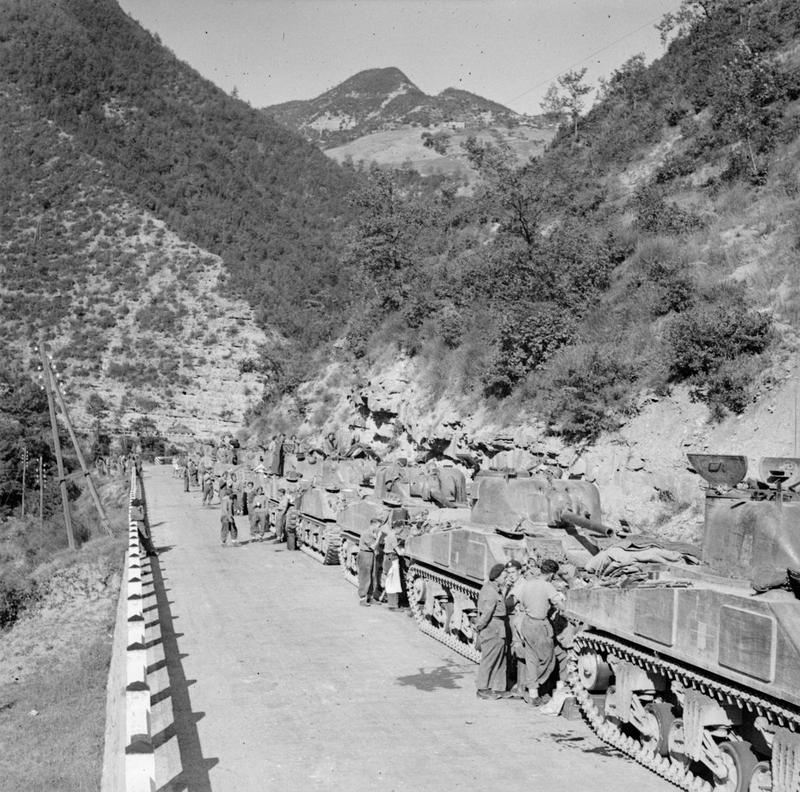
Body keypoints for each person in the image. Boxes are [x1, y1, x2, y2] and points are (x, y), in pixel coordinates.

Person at [515, 558, 565, 706]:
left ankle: (532, 694)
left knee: (531, 659)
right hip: (539, 625)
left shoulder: (527, 584)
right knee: (549, 660)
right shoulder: (547, 586)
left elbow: (516, 600)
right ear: (551, 575)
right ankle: (535, 685)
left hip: (527, 623)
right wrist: (564, 604)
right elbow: (560, 605)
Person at [474, 563, 509, 700]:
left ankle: (499, 688)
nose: (505, 578)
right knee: (489, 659)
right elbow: (486, 613)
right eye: (504, 576)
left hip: (498, 628)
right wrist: (479, 627)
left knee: (500, 659)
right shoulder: (490, 591)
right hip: (492, 628)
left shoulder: (495, 589)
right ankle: (482, 688)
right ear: (497, 577)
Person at [357, 516, 382, 606]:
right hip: (365, 555)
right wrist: (378, 538)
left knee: (372, 576)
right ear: (374, 525)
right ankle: (362, 598)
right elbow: (373, 546)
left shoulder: (372, 533)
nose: (379, 528)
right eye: (378, 526)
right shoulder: (366, 533)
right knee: (365, 576)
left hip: (371, 555)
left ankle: (370, 597)